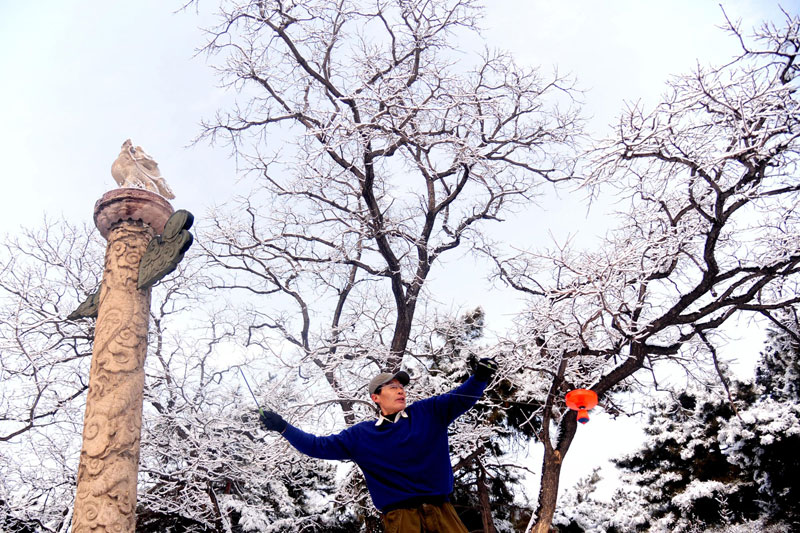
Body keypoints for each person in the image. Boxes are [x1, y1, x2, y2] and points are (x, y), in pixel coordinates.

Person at [259, 358, 498, 533]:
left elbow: (461, 397)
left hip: (443, 513)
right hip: (401, 520)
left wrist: (480, 377)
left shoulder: (429, 412)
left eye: (402, 386)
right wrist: (283, 427)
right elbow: (316, 446)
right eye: (393, 387)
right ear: (376, 397)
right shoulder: (360, 436)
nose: (400, 390)